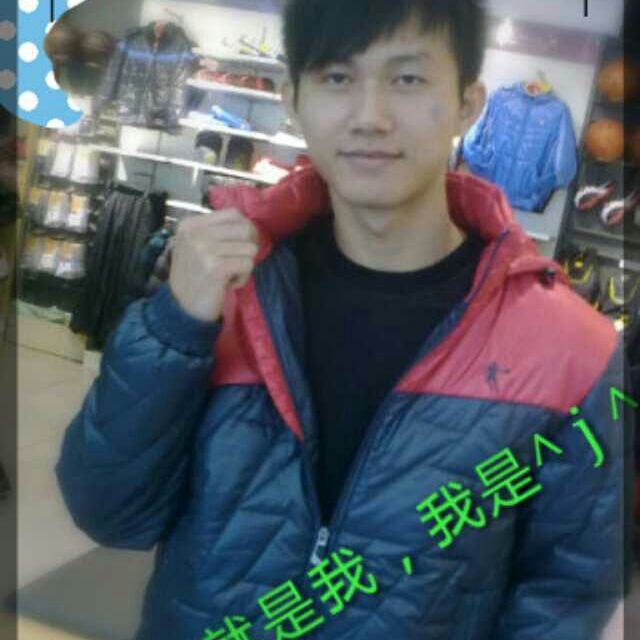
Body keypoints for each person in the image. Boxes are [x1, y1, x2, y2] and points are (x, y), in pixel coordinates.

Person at [55, 1, 633, 638]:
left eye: (407, 78)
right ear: (292, 101)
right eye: (336, 76)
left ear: (468, 104)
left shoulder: (571, 350)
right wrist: (174, 328)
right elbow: (109, 512)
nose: (370, 116)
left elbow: (566, 593)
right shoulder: (217, 292)